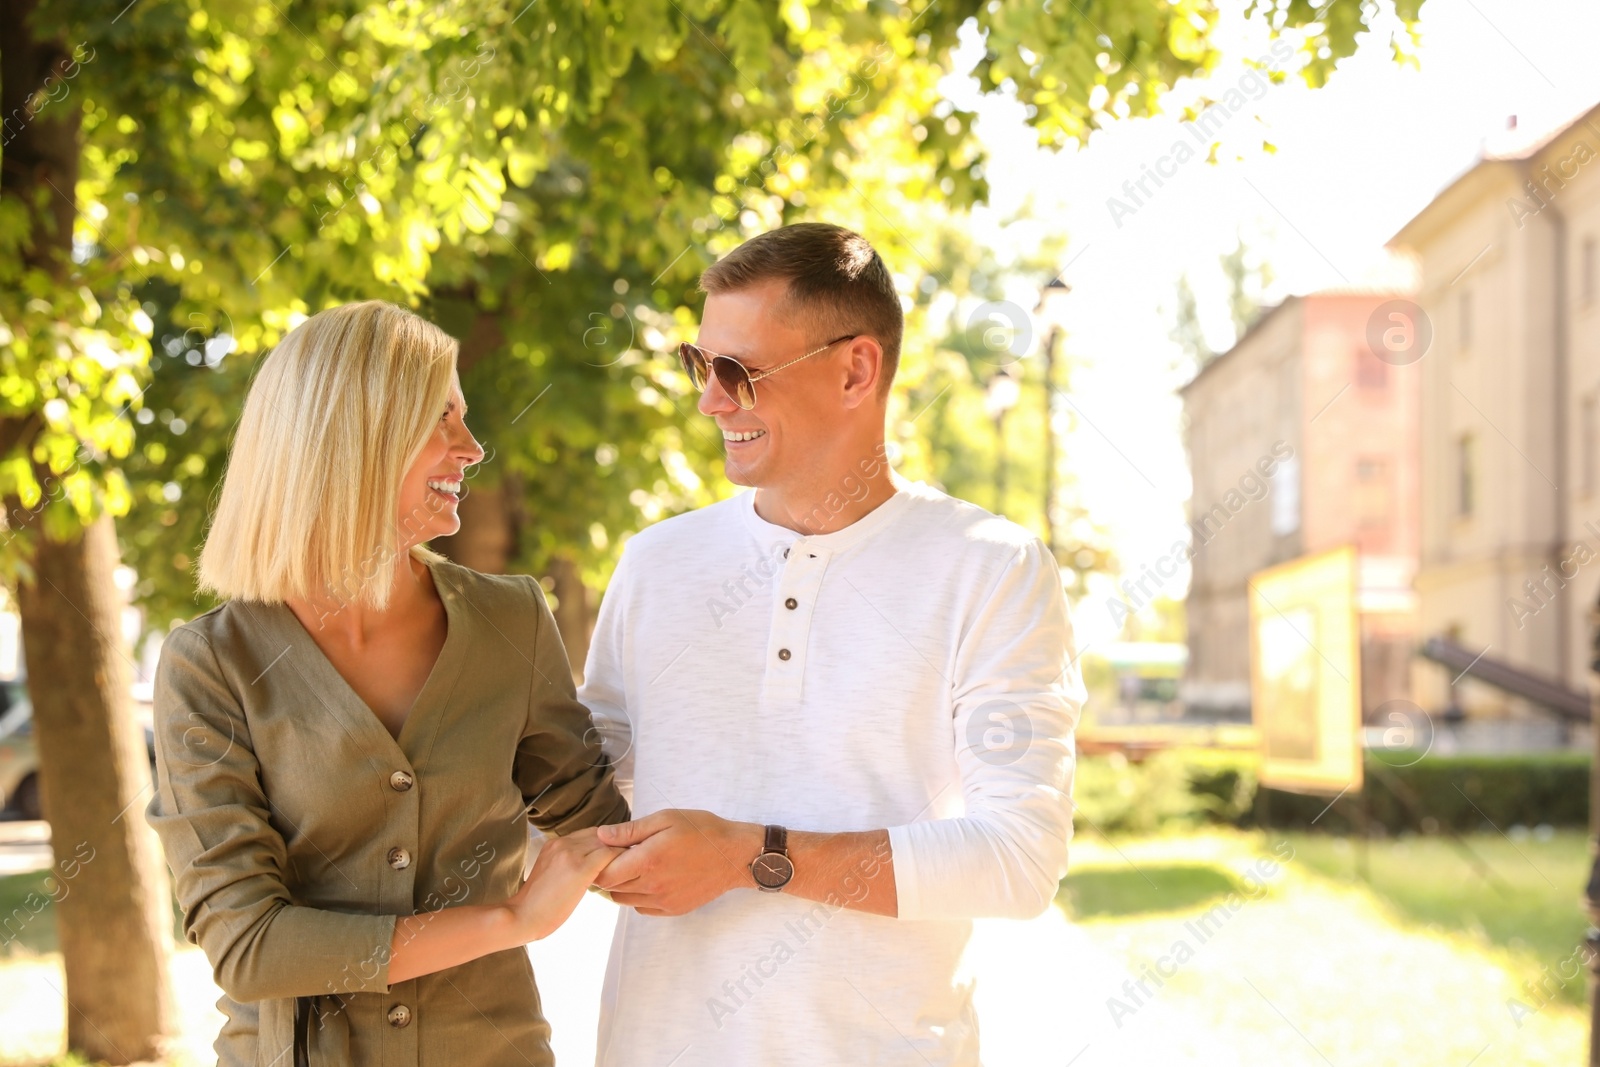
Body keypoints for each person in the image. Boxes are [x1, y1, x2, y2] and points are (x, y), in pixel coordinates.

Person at [580, 222, 1088, 1066]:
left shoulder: (991, 570)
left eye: (738, 372)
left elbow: (1017, 858)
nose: (710, 400)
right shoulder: (654, 563)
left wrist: (751, 855)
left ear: (856, 369)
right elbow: (582, 791)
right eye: (698, 365)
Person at [145, 300, 627, 1067]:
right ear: (355, 438)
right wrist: (511, 917)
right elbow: (249, 943)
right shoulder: (213, 662)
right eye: (442, 418)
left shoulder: (513, 620)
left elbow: (601, 824)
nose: (471, 448)